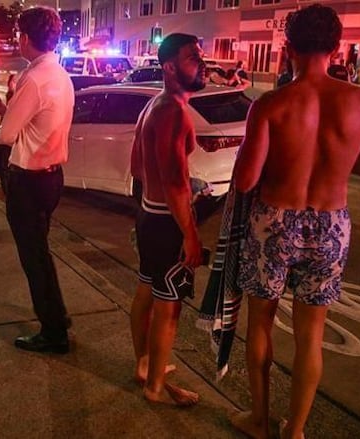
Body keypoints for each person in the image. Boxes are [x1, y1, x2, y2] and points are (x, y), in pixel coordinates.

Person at [227, 5, 360, 438]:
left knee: (260, 322)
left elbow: (244, 181)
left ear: (287, 47)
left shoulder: (271, 104)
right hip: (331, 224)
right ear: (338, 48)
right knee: (310, 335)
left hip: (274, 220)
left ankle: (259, 419)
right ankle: (295, 431)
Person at [0, 6, 74, 354]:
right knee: (40, 252)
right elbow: (35, 123)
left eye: (18, 33)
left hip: (29, 181)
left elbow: (6, 135)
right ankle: (57, 318)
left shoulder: (32, 77)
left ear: (25, 37)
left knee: (33, 257)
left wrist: (6, 114)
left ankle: (53, 330)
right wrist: (7, 109)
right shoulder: (59, 74)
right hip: (52, 178)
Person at [129, 33, 206, 406]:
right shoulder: (173, 111)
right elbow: (175, 182)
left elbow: (137, 167)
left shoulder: (153, 106)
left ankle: (146, 364)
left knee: (146, 290)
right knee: (168, 306)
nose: (202, 63)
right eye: (193, 58)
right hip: (166, 221)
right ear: (170, 67)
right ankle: (156, 386)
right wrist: (190, 233)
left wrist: (155, 196)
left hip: (148, 213)